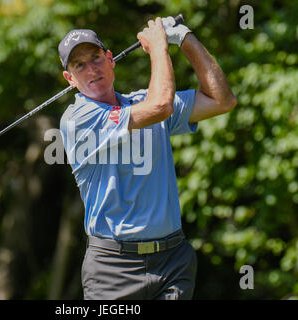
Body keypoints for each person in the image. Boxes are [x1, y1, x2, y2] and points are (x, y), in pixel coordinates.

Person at [57, 16, 237, 300]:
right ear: (69, 78)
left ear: (110, 59)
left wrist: (185, 39)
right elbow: (161, 106)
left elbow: (221, 100)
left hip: (172, 262)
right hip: (113, 270)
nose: (91, 69)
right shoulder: (77, 119)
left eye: (95, 58)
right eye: (79, 65)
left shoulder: (143, 99)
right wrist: (159, 49)